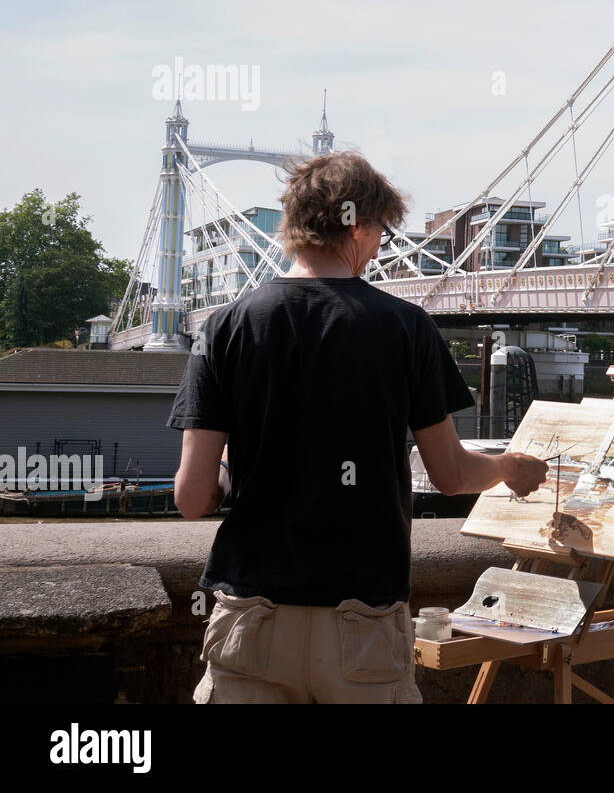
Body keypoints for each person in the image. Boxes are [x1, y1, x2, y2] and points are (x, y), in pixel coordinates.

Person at [170, 150, 548, 703]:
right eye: (382, 235)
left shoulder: (224, 327)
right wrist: (509, 468)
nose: (377, 249)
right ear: (361, 225)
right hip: (362, 624)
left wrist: (232, 470)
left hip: (251, 621)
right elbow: (450, 474)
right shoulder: (405, 327)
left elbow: (191, 497)